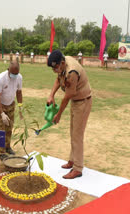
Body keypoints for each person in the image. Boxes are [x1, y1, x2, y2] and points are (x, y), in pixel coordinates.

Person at [47, 50, 92, 179]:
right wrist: (51, 95)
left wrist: (59, 114)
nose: (54, 70)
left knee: (77, 135)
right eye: (52, 68)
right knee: (73, 133)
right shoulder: (62, 63)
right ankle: (72, 160)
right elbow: (58, 79)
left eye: (55, 68)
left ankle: (77, 168)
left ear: (61, 63)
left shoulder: (72, 72)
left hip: (83, 102)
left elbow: (67, 96)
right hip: (76, 101)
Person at [0, 60, 23, 161]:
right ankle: (1, 153)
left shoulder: (19, 77)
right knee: (0, 129)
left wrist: (20, 106)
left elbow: (19, 92)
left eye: (16, 73)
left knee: (9, 127)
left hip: (11, 103)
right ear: (8, 70)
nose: (15, 75)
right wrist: (1, 113)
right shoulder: (0, 78)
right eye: (13, 73)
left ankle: (7, 146)